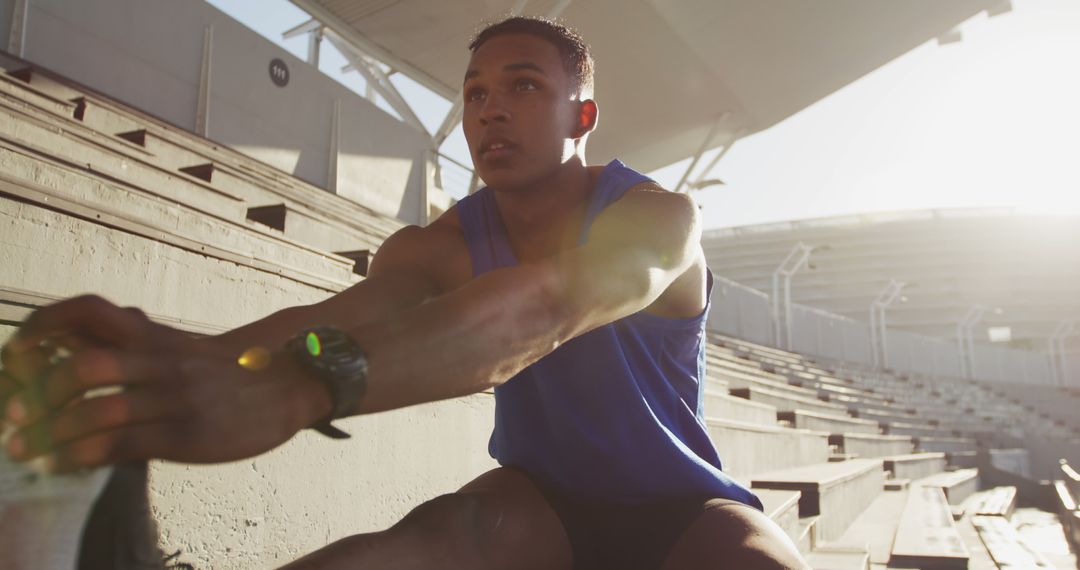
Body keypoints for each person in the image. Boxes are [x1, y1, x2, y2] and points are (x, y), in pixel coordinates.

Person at [0, 16, 808, 570]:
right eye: (475, 93)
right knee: (423, 540)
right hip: (539, 501)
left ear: (581, 114)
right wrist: (181, 363)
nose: (490, 110)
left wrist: (295, 386)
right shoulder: (437, 244)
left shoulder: (659, 217)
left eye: (522, 87)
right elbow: (332, 321)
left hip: (681, 503)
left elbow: (550, 307)